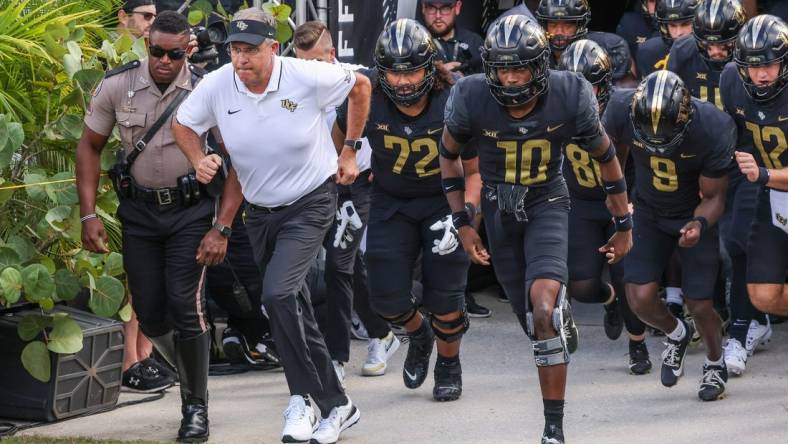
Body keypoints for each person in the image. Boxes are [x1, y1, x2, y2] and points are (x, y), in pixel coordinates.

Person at [173, 8, 371, 444]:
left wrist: (351, 149)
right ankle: (338, 405)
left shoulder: (304, 75)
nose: (240, 59)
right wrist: (197, 158)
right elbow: (183, 123)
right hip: (259, 213)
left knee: (277, 294)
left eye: (249, 50)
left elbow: (361, 86)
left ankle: (301, 397)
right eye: (234, 50)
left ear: (273, 49)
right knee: (291, 308)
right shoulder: (219, 83)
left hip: (311, 201)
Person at [440, 15, 632, 444]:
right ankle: (553, 325)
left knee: (543, 310)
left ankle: (553, 430)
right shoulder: (470, 95)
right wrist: (464, 222)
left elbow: (606, 158)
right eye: (502, 68)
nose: (510, 79)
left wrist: (623, 223)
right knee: (532, 324)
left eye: (520, 68)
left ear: (540, 66)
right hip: (497, 207)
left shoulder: (570, 93)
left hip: (547, 199)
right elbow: (449, 157)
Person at [77, 11, 213, 442]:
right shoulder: (118, 85)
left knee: (183, 304)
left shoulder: (205, 88)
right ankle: (191, 369)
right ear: (146, 45)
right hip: (139, 213)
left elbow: (235, 152)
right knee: (150, 314)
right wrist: (88, 214)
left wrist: (223, 226)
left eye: (174, 54)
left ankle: (195, 406)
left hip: (190, 212)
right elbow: (89, 146)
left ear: (187, 50)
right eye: (156, 51)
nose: (164, 61)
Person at [334, 18, 479, 402]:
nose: (402, 81)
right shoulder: (368, 93)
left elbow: (477, 170)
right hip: (390, 198)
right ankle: (418, 334)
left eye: (412, 70)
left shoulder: (455, 99)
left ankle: (449, 365)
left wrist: (465, 215)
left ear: (431, 67)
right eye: (394, 72)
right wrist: (341, 185)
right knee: (385, 297)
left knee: (446, 297)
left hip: (444, 200)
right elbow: (337, 145)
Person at [604, 70, 735, 401]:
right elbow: (609, 156)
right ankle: (676, 333)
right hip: (647, 211)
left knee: (700, 302)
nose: (656, 139)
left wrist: (699, 225)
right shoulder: (621, 108)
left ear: (685, 114)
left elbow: (715, 196)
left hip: (691, 213)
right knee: (638, 297)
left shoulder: (712, 126)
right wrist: (620, 199)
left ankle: (715, 363)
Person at [292, 20, 401, 381]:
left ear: (332, 55)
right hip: (310, 187)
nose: (310, 72)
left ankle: (336, 358)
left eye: (316, 63)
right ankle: (382, 333)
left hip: (357, 185)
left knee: (339, 265)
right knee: (347, 266)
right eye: (302, 63)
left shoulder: (360, 78)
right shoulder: (290, 82)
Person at [556, 39, 651, 375]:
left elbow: (646, 157)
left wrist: (637, 201)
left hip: (622, 202)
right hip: (581, 201)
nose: (583, 98)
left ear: (605, 86)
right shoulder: (552, 108)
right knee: (581, 286)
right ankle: (608, 301)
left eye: (590, 88)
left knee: (628, 278)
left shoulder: (625, 107)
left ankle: (637, 342)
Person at [723, 15, 788, 319]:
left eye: (770, 64)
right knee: (763, 295)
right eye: (754, 65)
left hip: (769, 178)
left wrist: (764, 174)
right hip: (771, 191)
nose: (761, 74)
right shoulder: (731, 81)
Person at [420, 1, 485, 83]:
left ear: (457, 7)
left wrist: (467, 81)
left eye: (445, 8)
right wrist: (437, 73)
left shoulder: (474, 42)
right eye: (431, 8)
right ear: (423, 7)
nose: (438, 16)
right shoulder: (414, 42)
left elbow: (489, 83)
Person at [637, 0, 699, 78]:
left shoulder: (715, 51)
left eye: (685, 24)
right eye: (672, 26)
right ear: (664, 27)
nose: (678, 32)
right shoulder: (650, 52)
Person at [616, 0, 660, 64]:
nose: (660, 7)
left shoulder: (678, 27)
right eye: (652, 1)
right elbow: (627, 61)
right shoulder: (629, 24)